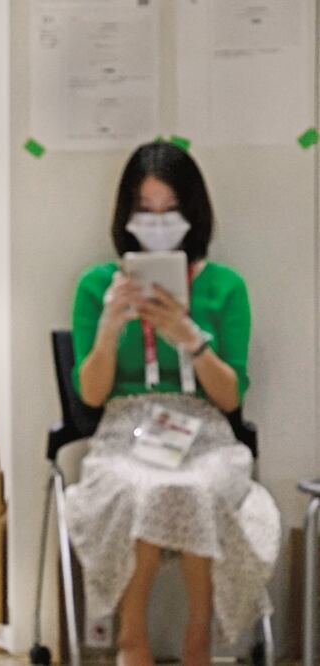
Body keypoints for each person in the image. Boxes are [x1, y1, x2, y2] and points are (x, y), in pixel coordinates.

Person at [64, 142, 279, 666]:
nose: (158, 224)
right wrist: (112, 328)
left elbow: (230, 395)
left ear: (193, 214)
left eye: (170, 212)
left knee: (196, 488)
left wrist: (189, 335)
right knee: (142, 488)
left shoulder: (225, 288)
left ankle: (197, 645)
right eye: (146, 211)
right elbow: (91, 394)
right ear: (127, 215)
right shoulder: (98, 286)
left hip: (204, 433)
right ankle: (131, 642)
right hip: (125, 432)